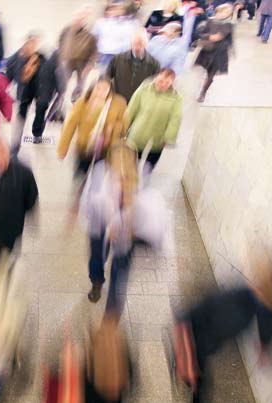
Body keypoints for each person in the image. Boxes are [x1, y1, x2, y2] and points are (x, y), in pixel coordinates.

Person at [171, 258, 272, 402]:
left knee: (199, 385)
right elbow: (185, 318)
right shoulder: (235, 297)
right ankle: (181, 366)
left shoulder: (261, 307)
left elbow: (270, 318)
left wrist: (264, 344)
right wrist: (189, 364)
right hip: (194, 342)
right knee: (198, 385)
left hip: (208, 345)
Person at [80, 145, 137, 307]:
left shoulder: (135, 179)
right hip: (99, 225)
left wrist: (125, 215)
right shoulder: (100, 171)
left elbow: (140, 209)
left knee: (119, 266)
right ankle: (96, 282)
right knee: (97, 256)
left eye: (126, 159)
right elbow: (89, 198)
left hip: (124, 231)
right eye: (119, 158)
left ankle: (113, 298)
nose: (122, 163)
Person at [58, 78, 130, 180]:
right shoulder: (82, 102)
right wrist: (62, 150)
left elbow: (125, 124)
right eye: (98, 88)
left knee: (98, 179)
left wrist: (114, 127)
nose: (101, 92)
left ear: (110, 90)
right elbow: (70, 126)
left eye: (105, 89)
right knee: (80, 177)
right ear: (92, 89)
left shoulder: (118, 103)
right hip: (84, 148)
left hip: (106, 149)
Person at [125, 68, 182, 172]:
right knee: (128, 164)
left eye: (167, 82)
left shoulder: (176, 98)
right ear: (156, 78)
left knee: (149, 166)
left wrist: (169, 137)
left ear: (172, 83)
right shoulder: (143, 90)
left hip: (156, 140)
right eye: (161, 81)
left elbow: (175, 119)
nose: (163, 84)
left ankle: (143, 183)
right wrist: (124, 127)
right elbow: (131, 109)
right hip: (137, 135)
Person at [5, 33, 51, 151]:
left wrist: (49, 94)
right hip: (24, 92)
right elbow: (8, 73)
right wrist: (3, 88)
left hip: (40, 92)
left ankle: (37, 134)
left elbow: (51, 76)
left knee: (40, 113)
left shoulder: (43, 58)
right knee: (20, 118)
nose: (32, 46)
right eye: (30, 43)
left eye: (35, 43)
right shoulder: (17, 56)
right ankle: (15, 145)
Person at [106, 30, 161, 103]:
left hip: (139, 102)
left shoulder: (154, 64)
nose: (137, 47)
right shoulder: (118, 59)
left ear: (146, 44)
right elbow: (106, 78)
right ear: (131, 43)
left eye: (141, 44)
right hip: (118, 100)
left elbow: (154, 87)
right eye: (135, 44)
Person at [194, 4, 235, 103]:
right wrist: (210, 37)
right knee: (206, 69)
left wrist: (231, 49)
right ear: (218, 11)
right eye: (223, 12)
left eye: (228, 13)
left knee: (211, 75)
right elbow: (199, 34)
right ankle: (204, 83)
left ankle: (203, 92)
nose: (225, 14)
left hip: (219, 53)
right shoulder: (210, 21)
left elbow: (230, 40)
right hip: (207, 51)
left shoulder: (229, 24)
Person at [58, 6, 98, 103]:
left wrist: (90, 65)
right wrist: (61, 56)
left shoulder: (89, 34)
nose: (78, 20)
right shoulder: (67, 30)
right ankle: (59, 104)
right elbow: (60, 43)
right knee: (63, 84)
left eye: (81, 18)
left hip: (82, 62)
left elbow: (94, 51)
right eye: (77, 17)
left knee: (81, 84)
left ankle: (76, 101)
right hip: (67, 60)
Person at [147, 5, 202, 75]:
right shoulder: (156, 39)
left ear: (175, 32)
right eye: (165, 30)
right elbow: (145, 52)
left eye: (167, 30)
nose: (164, 33)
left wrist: (171, 75)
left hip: (159, 74)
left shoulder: (179, 46)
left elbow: (177, 66)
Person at [93, 2, 140, 67]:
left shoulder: (131, 23)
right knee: (105, 73)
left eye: (121, 9)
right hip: (107, 53)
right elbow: (96, 37)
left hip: (123, 55)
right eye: (116, 9)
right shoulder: (102, 22)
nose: (118, 10)